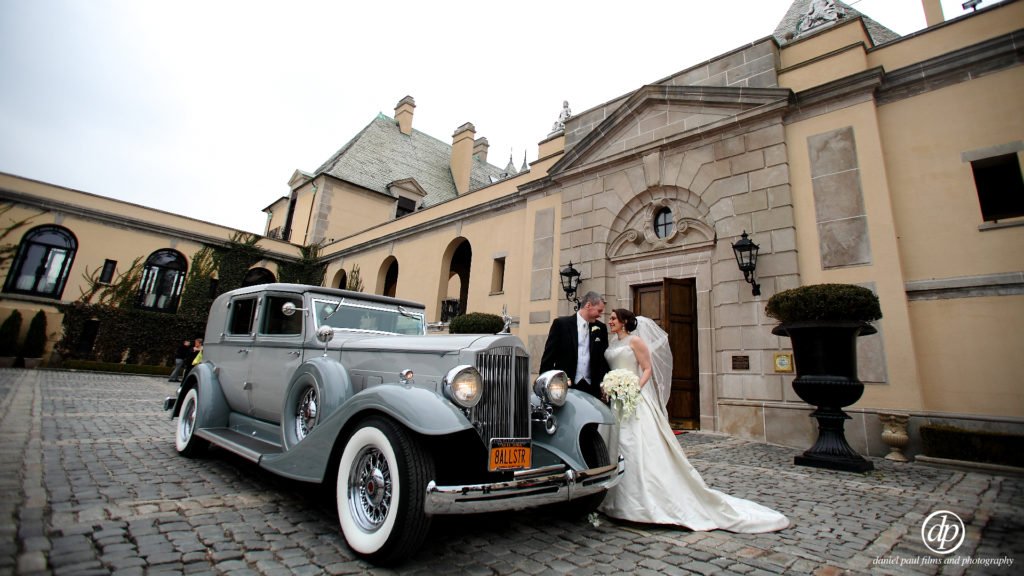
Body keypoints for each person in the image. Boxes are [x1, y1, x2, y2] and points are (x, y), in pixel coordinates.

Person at [599, 308, 789, 533]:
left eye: (613, 318)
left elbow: (648, 368)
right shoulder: (612, 343)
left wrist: (634, 388)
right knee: (616, 446)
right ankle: (614, 500)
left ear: (624, 322)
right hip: (616, 402)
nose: (609, 321)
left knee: (637, 446)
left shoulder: (636, 341)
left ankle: (641, 504)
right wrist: (608, 386)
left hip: (634, 400)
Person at [539, 291, 609, 401]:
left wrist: (603, 383)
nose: (600, 314)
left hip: (592, 388)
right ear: (588, 305)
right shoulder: (561, 324)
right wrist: (544, 385)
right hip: (564, 387)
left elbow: (603, 360)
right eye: (599, 311)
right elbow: (548, 358)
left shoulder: (601, 328)